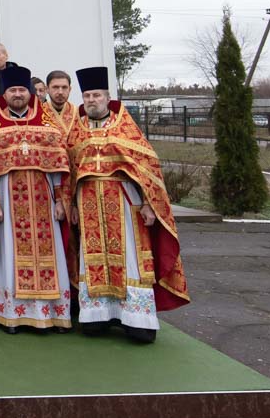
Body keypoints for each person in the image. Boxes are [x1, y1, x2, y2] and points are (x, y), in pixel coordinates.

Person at [65, 66, 189, 343]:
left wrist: (148, 203)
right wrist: (71, 203)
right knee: (91, 258)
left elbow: (149, 169)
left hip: (124, 201)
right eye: (87, 95)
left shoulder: (125, 127)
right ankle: (97, 316)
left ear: (107, 97)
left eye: (96, 95)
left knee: (131, 259)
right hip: (87, 203)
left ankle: (137, 321)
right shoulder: (76, 131)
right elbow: (70, 172)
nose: (91, 100)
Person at [0, 67, 72, 333]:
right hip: (8, 202)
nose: (17, 94)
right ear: (4, 94)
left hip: (44, 201)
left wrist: (59, 201)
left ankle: (52, 315)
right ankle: (12, 315)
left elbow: (58, 167)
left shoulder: (46, 126)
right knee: (9, 255)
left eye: (22, 90)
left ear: (30, 94)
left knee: (50, 255)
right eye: (12, 91)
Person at [45, 70, 79, 135]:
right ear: (47, 89)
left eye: (64, 87)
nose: (60, 92)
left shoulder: (78, 113)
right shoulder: (39, 112)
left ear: (70, 89)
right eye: (55, 87)